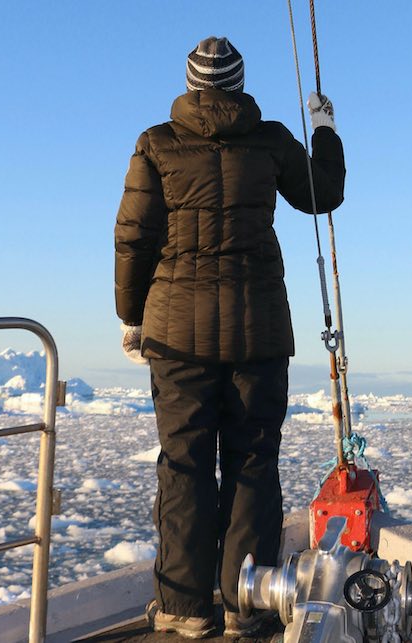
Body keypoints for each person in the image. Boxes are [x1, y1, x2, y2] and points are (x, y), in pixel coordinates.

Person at [114, 36, 345, 639]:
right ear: (239, 85)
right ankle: (249, 605)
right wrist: (323, 129)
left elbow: (134, 237)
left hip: (177, 336)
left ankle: (185, 610)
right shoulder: (269, 140)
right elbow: (324, 194)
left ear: (191, 84)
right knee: (252, 463)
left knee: (184, 467)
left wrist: (131, 316)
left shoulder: (157, 143)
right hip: (258, 331)